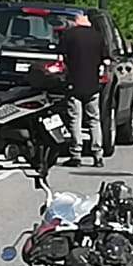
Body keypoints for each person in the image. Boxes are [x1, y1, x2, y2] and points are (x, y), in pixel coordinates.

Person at [58, 10, 106, 167]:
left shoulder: (69, 35)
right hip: (92, 85)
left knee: (75, 119)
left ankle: (76, 154)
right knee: (94, 120)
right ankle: (98, 155)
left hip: (74, 83)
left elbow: (61, 58)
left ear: (78, 19)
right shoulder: (98, 37)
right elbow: (104, 60)